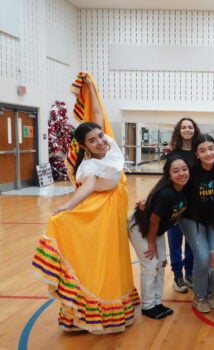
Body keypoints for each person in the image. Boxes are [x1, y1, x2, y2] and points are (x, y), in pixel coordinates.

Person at [32, 121, 140, 333]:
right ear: (84, 147)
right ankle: (88, 312)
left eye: (100, 136)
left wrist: (91, 87)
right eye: (92, 140)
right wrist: (67, 205)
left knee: (115, 257)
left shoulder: (109, 145)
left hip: (113, 206)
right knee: (101, 260)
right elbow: (89, 186)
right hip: (101, 211)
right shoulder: (89, 166)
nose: (100, 141)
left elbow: (98, 113)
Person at [128, 155, 190, 319]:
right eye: (176, 171)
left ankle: (157, 302)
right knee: (150, 265)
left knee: (161, 263)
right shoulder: (167, 194)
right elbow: (154, 220)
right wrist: (151, 243)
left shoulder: (184, 189)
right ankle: (148, 306)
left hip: (157, 231)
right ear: (168, 175)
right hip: (141, 228)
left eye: (184, 169)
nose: (182, 173)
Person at [179, 134, 214, 313]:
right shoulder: (191, 171)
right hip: (192, 219)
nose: (208, 153)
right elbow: (171, 187)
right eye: (202, 150)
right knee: (202, 258)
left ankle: (210, 294)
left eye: (211, 149)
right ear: (196, 154)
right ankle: (199, 297)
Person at [165, 118, 200, 293]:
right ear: (179, 130)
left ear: (195, 130)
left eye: (190, 127)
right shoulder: (172, 155)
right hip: (176, 204)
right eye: (184, 127)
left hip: (194, 204)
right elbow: (166, 180)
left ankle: (190, 273)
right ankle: (177, 275)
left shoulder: (198, 152)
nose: (187, 130)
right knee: (175, 241)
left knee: (192, 242)